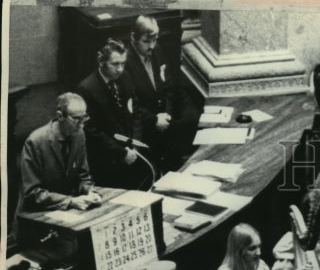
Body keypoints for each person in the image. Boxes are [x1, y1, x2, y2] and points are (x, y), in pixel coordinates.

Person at [16, 92, 103, 237]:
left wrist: (89, 192)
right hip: (36, 220)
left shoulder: (79, 135)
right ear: (60, 115)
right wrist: (70, 201)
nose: (81, 125)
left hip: (65, 216)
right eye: (76, 119)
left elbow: (83, 176)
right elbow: (32, 193)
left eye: (84, 118)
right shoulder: (35, 142)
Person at [123, 15, 200, 172]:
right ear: (133, 38)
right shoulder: (124, 63)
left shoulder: (157, 51)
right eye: (146, 41)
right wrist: (154, 120)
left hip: (164, 120)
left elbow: (169, 86)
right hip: (143, 127)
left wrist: (168, 114)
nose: (151, 46)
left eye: (155, 40)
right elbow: (129, 104)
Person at [77, 39, 149, 190]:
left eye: (123, 63)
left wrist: (135, 144)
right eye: (115, 64)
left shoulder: (126, 78)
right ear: (101, 62)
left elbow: (136, 113)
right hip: (108, 160)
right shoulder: (87, 88)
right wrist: (121, 153)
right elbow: (92, 130)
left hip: (132, 153)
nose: (120, 69)